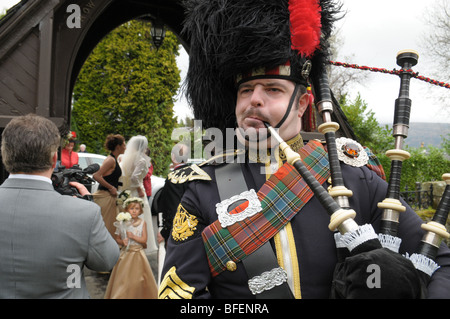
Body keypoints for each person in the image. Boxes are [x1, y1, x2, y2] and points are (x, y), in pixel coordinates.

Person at [158, 0, 450, 299]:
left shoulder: (354, 176)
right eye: (246, 90)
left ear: (302, 104)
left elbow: (440, 261)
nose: (253, 100)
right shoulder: (201, 188)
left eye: (272, 89)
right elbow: (182, 295)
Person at [0, 114, 119, 298]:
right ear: (54, 157)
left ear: (5, 154)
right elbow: (107, 261)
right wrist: (88, 205)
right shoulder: (84, 212)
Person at [104, 197, 158, 299]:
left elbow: (144, 240)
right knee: (123, 278)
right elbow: (117, 238)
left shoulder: (143, 223)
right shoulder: (123, 223)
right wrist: (122, 242)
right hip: (126, 253)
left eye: (136, 209)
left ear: (140, 210)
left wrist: (133, 236)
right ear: (127, 210)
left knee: (138, 278)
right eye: (131, 209)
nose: (134, 211)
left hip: (138, 254)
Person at [119, 135, 158, 256]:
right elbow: (134, 177)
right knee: (141, 217)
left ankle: (127, 242)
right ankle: (139, 245)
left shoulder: (126, 157)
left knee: (129, 217)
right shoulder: (141, 160)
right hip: (137, 191)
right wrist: (140, 190)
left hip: (127, 191)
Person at [93, 134, 126, 238]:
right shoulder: (110, 160)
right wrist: (111, 187)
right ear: (118, 147)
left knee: (111, 227)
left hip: (110, 197)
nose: (125, 147)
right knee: (106, 227)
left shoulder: (114, 160)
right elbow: (96, 175)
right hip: (105, 197)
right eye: (124, 145)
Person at [156, 143, 191, 243]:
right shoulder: (194, 174)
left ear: (173, 157)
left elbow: (173, 207)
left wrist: (164, 232)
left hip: (178, 231)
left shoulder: (173, 177)